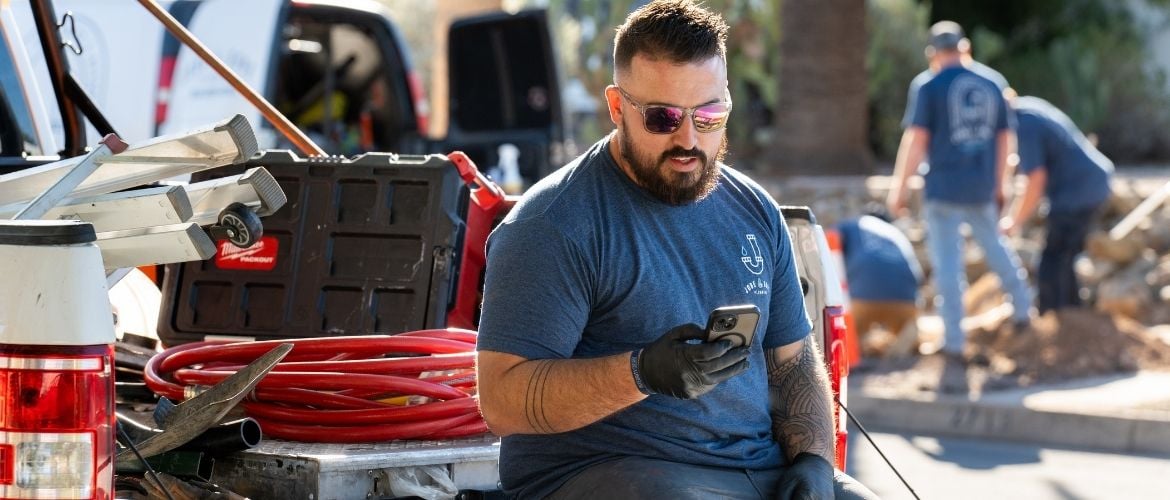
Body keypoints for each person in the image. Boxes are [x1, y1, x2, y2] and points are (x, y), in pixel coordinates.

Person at [474, 1, 877, 498]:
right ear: (618, 107)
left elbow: (793, 362)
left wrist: (814, 461)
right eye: (663, 118)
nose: (688, 139)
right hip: (613, 473)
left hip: (757, 471)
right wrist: (641, 373)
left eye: (708, 115)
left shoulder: (756, 211)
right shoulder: (553, 225)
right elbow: (501, 400)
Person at [886, 20, 1034, 368]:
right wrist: (1002, 185)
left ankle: (954, 344)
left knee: (948, 268)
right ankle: (1024, 312)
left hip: (943, 190)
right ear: (965, 48)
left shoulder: (928, 85)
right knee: (997, 250)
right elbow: (1004, 140)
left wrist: (900, 189)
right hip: (981, 188)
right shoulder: (992, 82)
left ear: (933, 54)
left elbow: (917, 141)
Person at [1000, 92, 1114, 314]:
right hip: (1090, 186)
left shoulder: (1024, 126)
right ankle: (1072, 313)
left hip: (1077, 192)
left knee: (1052, 261)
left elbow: (1035, 180)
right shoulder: (1029, 109)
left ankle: (1052, 319)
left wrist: (1014, 221)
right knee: (1065, 256)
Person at [835, 206, 924, 357]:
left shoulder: (853, 225)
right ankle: (909, 333)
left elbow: (829, 243)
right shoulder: (896, 234)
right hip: (904, 301)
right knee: (908, 334)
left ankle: (854, 340)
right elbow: (919, 277)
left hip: (862, 299)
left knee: (847, 338)